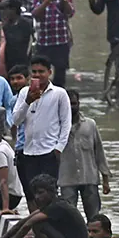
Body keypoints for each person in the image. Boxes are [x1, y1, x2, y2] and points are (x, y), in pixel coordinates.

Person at [0, 174, 89, 238]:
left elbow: (28, 225)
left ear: (51, 191)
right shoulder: (51, 204)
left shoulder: (57, 206)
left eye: (41, 193)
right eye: (35, 194)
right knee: (37, 223)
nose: (37, 197)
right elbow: (24, 221)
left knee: (38, 225)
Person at [11, 55, 71, 185]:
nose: (37, 75)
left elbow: (66, 123)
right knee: (34, 193)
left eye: (41, 71)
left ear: (49, 72)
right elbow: (16, 121)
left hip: (49, 152)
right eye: (34, 72)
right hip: (28, 152)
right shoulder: (24, 93)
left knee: (49, 192)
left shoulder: (59, 93)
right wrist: (27, 101)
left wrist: (59, 148)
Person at [58, 90, 111, 221]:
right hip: (66, 179)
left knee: (94, 216)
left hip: (89, 178)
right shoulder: (56, 127)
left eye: (74, 103)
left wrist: (105, 179)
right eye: (67, 104)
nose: (71, 107)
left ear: (79, 104)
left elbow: (99, 151)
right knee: (68, 217)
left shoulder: (90, 125)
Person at [30, 0, 74, 87]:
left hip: (61, 42)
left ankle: (58, 98)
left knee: (60, 76)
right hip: (44, 42)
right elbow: (35, 14)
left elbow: (70, 13)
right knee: (40, 74)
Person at [0, 0, 35, 74]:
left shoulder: (25, 25)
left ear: (14, 9)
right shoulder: (5, 26)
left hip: (22, 64)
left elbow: (29, 46)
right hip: (7, 65)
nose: (3, 12)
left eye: (5, 9)